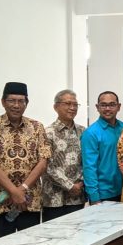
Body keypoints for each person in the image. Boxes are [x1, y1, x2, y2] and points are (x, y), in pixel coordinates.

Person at [0, 82, 50, 239]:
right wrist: (14, 191)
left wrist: (22, 189)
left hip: (29, 200)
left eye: (21, 101)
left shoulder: (37, 127)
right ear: (3, 102)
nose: (16, 105)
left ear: (27, 103)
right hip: (0, 201)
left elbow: (43, 161)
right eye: (11, 100)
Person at [43, 89, 86, 221]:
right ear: (55, 107)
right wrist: (70, 186)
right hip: (53, 198)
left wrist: (81, 183)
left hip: (77, 197)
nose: (72, 108)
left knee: (78, 231)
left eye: (75, 104)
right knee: (54, 232)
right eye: (67, 103)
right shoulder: (47, 133)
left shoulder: (83, 131)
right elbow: (46, 166)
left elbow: (88, 161)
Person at [81, 91, 123, 204]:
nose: (107, 108)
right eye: (103, 105)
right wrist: (94, 197)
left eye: (112, 105)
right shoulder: (91, 133)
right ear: (97, 107)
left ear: (119, 107)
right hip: (103, 194)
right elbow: (89, 167)